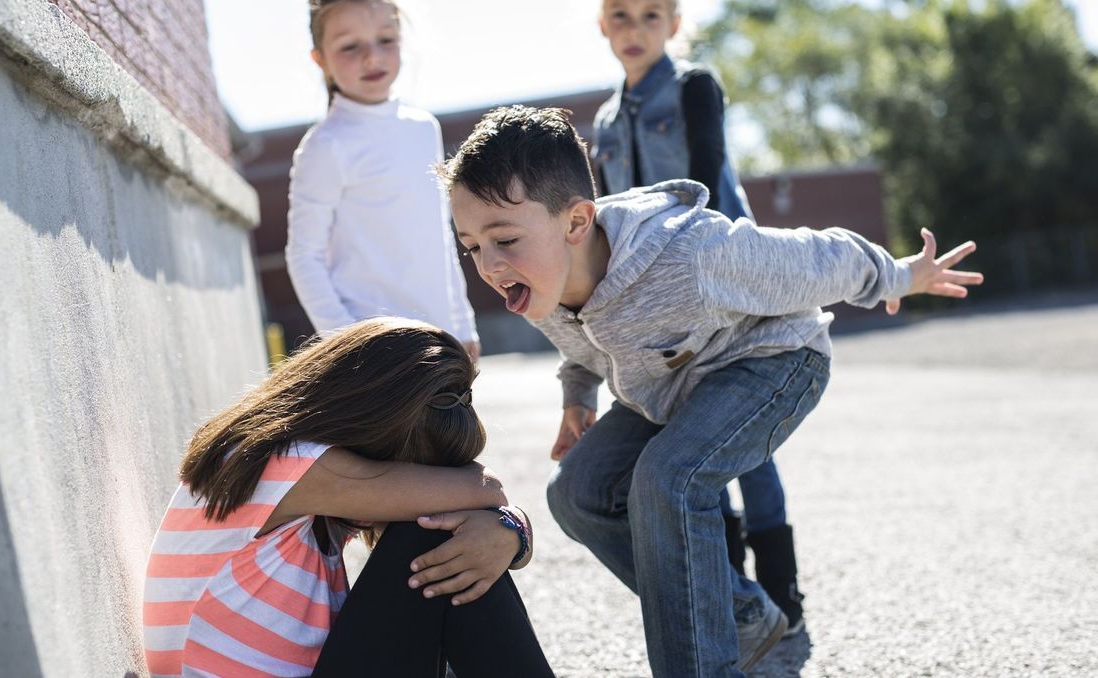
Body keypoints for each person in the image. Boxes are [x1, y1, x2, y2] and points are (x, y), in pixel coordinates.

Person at [439, 105, 982, 677]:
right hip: (672, 385)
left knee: (668, 478)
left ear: (576, 222)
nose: (489, 266)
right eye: (471, 246)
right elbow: (582, 344)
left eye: (504, 239)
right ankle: (741, 615)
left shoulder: (691, 254)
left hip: (773, 361)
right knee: (576, 492)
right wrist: (578, 397)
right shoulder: (540, 279)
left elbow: (821, 258)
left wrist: (901, 276)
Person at [141, 318, 554, 677]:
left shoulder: (303, 477)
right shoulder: (284, 463)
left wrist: (508, 529)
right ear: (373, 426)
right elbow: (485, 490)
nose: (415, 483)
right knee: (434, 533)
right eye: (413, 469)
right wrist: (507, 524)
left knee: (455, 542)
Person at [591, 0, 806, 634]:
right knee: (692, 437)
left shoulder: (694, 86)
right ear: (602, 25)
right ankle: (736, 594)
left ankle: (783, 593)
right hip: (654, 303)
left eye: (650, 15)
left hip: (723, 280)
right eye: (620, 15)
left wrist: (711, 273)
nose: (635, 29)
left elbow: (708, 175)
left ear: (675, 23)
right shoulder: (604, 120)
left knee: (746, 441)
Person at [286, 0, 480, 361]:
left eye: (386, 40)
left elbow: (439, 236)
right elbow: (304, 256)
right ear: (320, 60)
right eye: (350, 46)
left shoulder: (424, 128)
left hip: (441, 340)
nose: (371, 57)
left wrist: (463, 325)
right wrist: (348, 345)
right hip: (375, 354)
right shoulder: (325, 145)